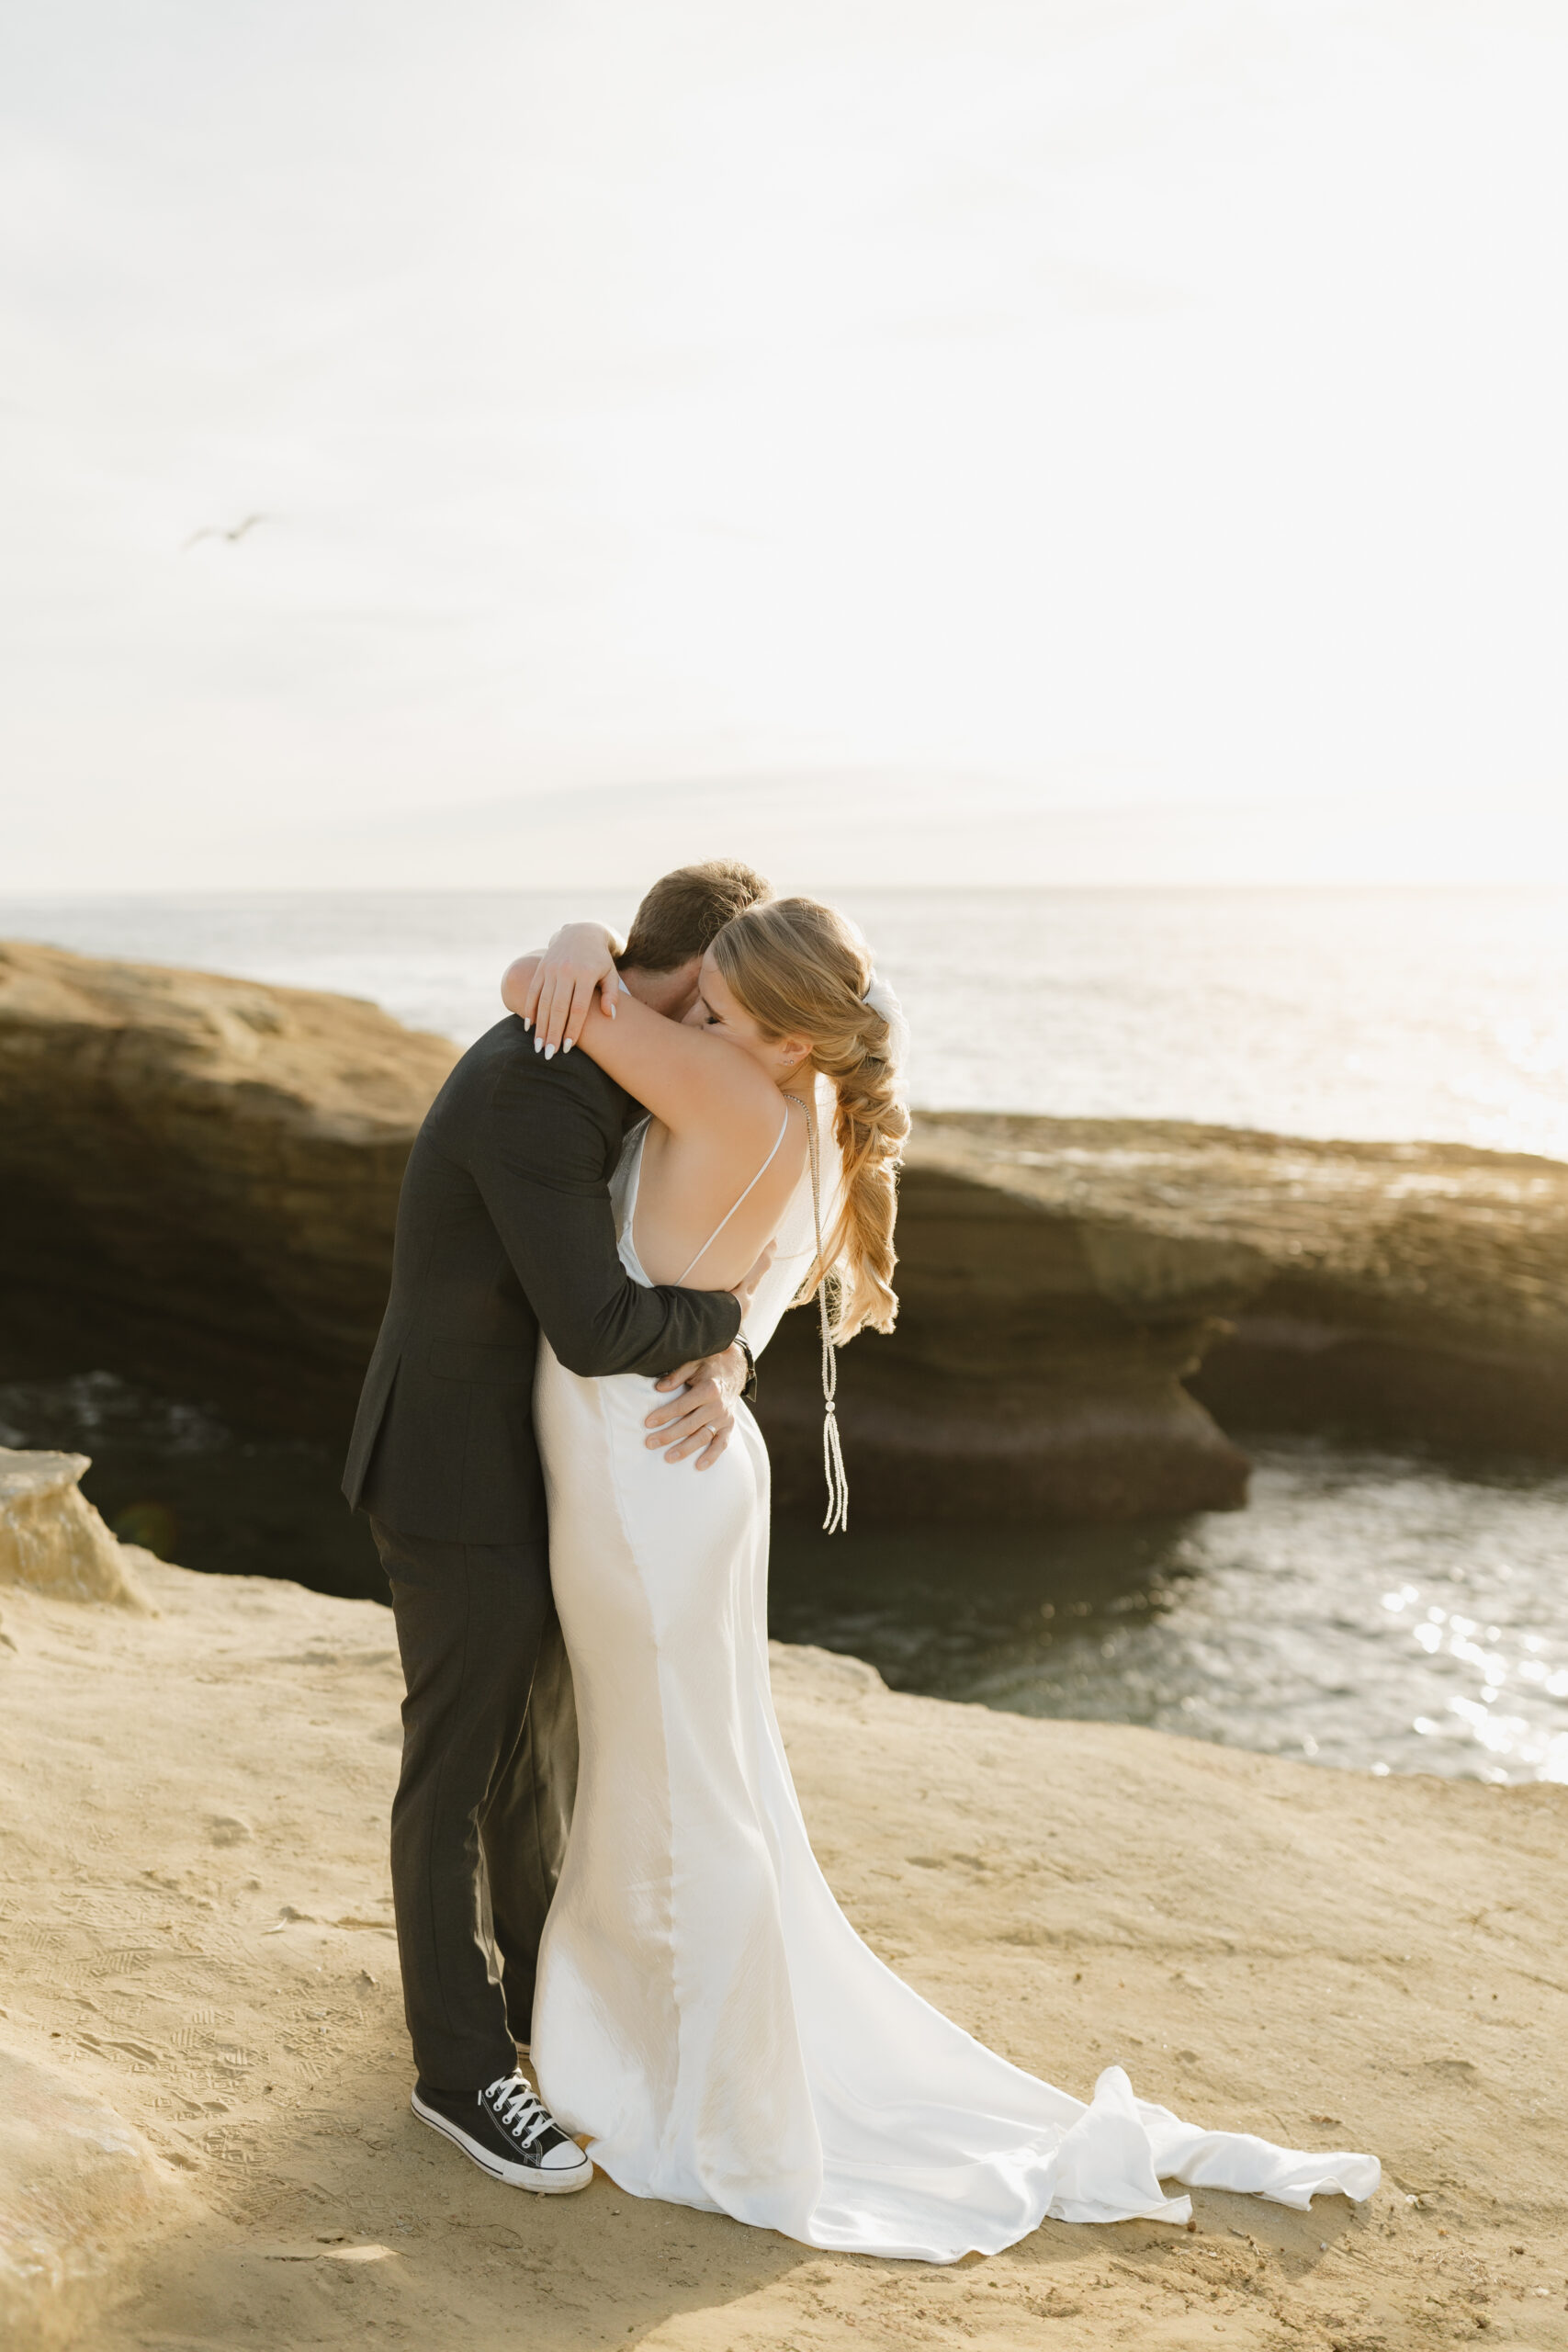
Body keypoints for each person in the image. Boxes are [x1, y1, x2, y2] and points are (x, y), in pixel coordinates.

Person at [498, 894, 1381, 2261]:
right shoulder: (820, 1130)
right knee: (689, 1771)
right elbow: (748, 1294)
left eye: (725, 1012)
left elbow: (537, 993)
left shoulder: (733, 1086)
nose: (699, 1023)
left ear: (789, 1037)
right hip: (694, 1467)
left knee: (672, 1780)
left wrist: (574, 935)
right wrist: (726, 1353)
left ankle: (703, 2097)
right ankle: (663, 2046)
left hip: (640, 1477)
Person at [342, 859, 772, 2195]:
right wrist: (724, 1326)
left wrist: (736, 1351)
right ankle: (457, 2073)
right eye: (737, 1010)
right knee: (457, 1774)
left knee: (533, 1757)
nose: (738, 1042)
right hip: (452, 1470)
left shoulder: (594, 1047)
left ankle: (541, 2016)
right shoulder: (542, 1083)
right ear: (697, 986)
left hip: (528, 1468)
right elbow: (593, 1326)